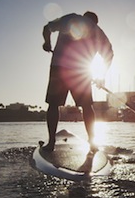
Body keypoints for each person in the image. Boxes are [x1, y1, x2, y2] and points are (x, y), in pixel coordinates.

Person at [41, 11, 113, 152]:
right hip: (80, 71)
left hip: (59, 68)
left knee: (53, 105)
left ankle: (51, 143)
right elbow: (109, 53)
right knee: (86, 106)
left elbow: (46, 28)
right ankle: (92, 143)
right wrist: (101, 76)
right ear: (95, 22)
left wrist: (47, 42)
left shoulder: (70, 18)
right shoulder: (98, 32)